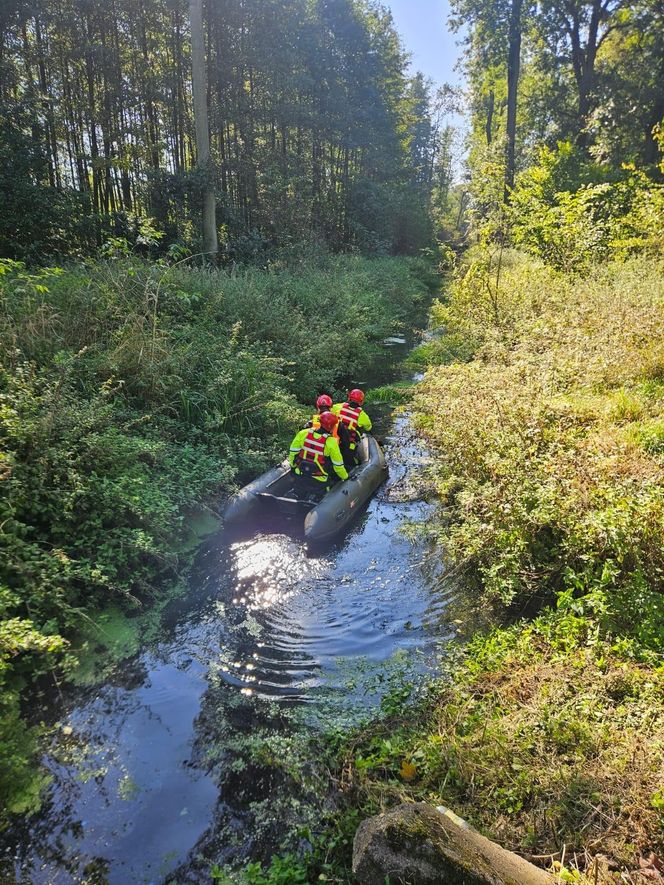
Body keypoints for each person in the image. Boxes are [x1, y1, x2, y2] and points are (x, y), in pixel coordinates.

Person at [289, 411, 348, 493]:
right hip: (319, 481)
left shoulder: (303, 433)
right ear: (331, 426)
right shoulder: (331, 442)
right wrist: (345, 477)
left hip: (300, 475)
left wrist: (293, 466)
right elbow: (338, 466)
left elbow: (293, 453)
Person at [332, 388, 372, 466]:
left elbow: (330, 413)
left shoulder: (337, 407)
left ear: (349, 398)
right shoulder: (362, 415)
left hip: (335, 440)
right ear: (361, 402)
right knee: (352, 463)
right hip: (349, 444)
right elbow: (368, 427)